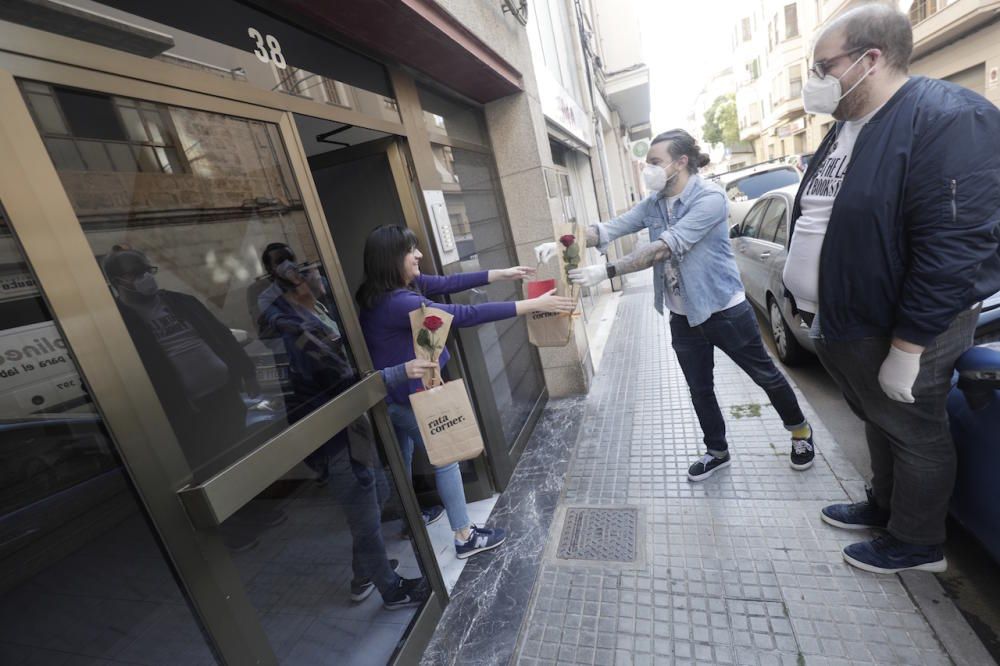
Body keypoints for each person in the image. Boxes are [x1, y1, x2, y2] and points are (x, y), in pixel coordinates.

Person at [782, 5, 1000, 574]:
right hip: (847, 319)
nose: (815, 79)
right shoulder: (847, 126)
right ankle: (884, 507)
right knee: (879, 422)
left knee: (915, 430)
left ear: (869, 59)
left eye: (823, 65)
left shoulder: (946, 118)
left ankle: (917, 542)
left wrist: (908, 349)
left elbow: (952, 246)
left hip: (900, 325)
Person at [542, 129, 816, 481]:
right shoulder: (655, 202)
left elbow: (664, 247)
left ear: (681, 162)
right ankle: (717, 450)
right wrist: (562, 240)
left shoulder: (710, 198)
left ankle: (799, 432)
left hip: (724, 310)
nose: (648, 170)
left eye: (655, 162)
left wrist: (606, 271)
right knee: (699, 387)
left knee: (764, 375)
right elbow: (610, 228)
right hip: (683, 316)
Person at [357, 224, 575, 559]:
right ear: (391, 259)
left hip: (392, 397)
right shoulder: (400, 303)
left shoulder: (378, 292)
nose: (418, 255)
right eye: (410, 251)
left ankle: (407, 520)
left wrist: (499, 274)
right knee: (447, 458)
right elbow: (461, 315)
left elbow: (445, 283)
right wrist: (528, 306)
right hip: (410, 398)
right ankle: (464, 536)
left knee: (401, 463)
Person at [258, 243, 434, 609]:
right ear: (294, 281)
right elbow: (343, 377)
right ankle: (389, 588)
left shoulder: (320, 309)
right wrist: (399, 371)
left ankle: (366, 571)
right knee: (364, 509)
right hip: (331, 431)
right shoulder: (295, 328)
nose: (319, 276)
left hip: (350, 423)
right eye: (310, 271)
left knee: (378, 492)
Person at [102, 246, 258, 472]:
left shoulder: (182, 302)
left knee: (241, 450)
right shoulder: (118, 322)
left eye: (147, 270)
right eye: (135, 273)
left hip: (226, 393)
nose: (145, 277)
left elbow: (222, 335)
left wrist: (248, 372)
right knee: (211, 463)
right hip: (187, 410)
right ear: (117, 281)